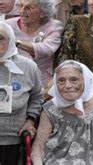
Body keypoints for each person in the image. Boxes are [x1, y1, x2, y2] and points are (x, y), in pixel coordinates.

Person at [0, 21, 42, 165]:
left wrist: (30, 120)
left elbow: (37, 96)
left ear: (11, 40)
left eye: (0, 38)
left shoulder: (28, 66)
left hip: (16, 138)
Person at [5, 0, 63, 86]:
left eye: (29, 8)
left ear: (42, 13)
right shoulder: (7, 26)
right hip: (12, 79)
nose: (22, 11)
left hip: (42, 81)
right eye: (21, 6)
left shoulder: (53, 27)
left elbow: (46, 50)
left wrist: (14, 42)